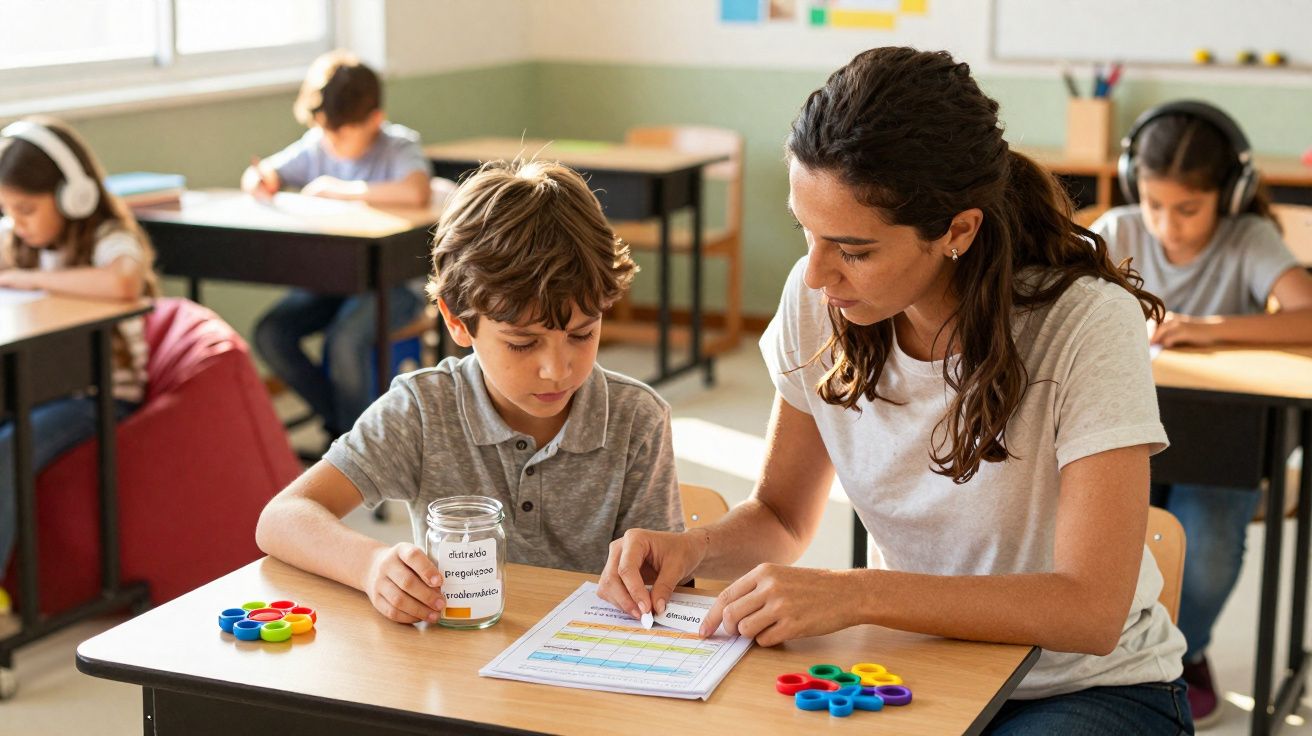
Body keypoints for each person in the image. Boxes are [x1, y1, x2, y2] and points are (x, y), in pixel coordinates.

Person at [598, 47, 1193, 734]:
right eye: (806, 234)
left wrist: (860, 593)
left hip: (1086, 691)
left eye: (854, 250)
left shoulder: (1084, 323)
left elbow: (1089, 611)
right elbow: (783, 518)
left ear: (957, 231)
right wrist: (693, 549)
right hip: (914, 672)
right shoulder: (816, 299)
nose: (817, 274)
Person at [256, 159, 683, 625]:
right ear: (457, 322)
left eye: (582, 334)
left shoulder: (637, 419)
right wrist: (371, 565)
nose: (557, 369)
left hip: (585, 665)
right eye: (522, 342)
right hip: (456, 667)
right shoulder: (423, 410)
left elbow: (664, 582)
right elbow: (282, 517)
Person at [1092, 100, 1312, 727]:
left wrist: (1210, 330)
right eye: (1156, 205)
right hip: (1128, 424)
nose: (1169, 225)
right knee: (1108, 534)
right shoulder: (1121, 228)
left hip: (1223, 435)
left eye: (1188, 209)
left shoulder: (1249, 238)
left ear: (1230, 194)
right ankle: (1119, 654)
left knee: (1209, 547)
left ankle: (1185, 654)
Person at [0, 117, 159, 614]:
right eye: (6, 210)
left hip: (99, 395)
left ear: (74, 196)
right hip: (40, 385)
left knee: (7, 450)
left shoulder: (108, 236)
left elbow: (123, 284)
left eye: (26, 209)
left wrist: (26, 280)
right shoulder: (21, 240)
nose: (16, 221)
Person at [242, 49, 432, 439]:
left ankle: (357, 449)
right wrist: (261, 181)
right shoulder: (316, 145)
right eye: (325, 130)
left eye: (342, 133)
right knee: (271, 334)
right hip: (331, 283)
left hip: (394, 285)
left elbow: (416, 191)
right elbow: (262, 174)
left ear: (374, 120)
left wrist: (341, 191)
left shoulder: (398, 146)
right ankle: (346, 433)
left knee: (346, 340)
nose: (331, 141)